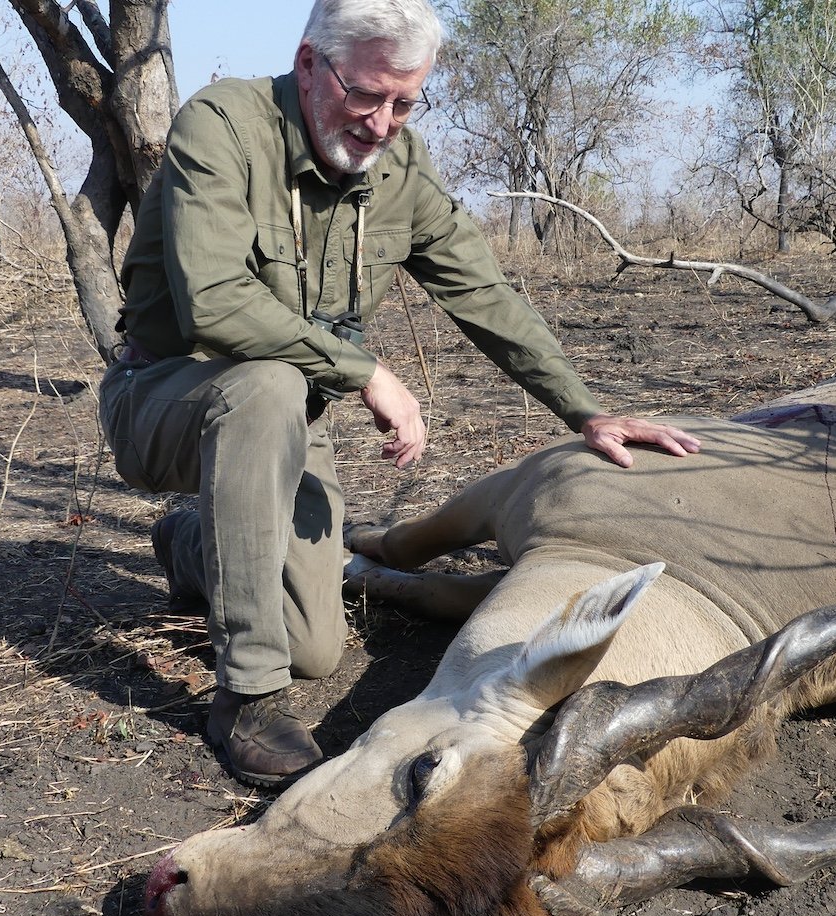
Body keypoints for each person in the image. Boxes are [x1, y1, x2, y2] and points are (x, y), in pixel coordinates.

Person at [99, 0, 701, 787]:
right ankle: (243, 699)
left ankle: (197, 544)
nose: (383, 124)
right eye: (367, 95)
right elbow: (213, 302)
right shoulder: (223, 125)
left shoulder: (398, 170)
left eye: (405, 102)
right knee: (270, 385)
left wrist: (584, 409)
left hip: (281, 415)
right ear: (311, 64)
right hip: (163, 400)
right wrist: (366, 373)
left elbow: (485, 295)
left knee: (314, 648)